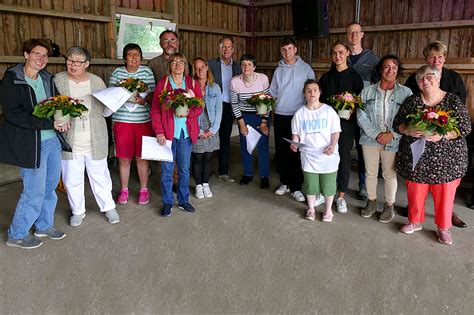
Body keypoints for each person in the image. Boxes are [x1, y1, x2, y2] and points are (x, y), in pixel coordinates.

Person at [0, 39, 70, 249]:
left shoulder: (48, 78)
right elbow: (13, 115)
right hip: (31, 143)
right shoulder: (12, 79)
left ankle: (44, 225)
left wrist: (64, 118)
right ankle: (17, 233)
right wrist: (50, 122)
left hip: (52, 142)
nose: (41, 59)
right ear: (26, 55)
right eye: (37, 54)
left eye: (45, 55)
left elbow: (57, 103)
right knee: (34, 191)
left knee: (50, 188)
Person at [393, 65, 471, 245]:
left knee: (445, 194)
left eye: (429, 77)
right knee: (416, 191)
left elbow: (465, 127)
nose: (425, 81)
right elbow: (398, 123)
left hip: (447, 160)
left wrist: (443, 134)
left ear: (437, 79)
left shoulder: (452, 100)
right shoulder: (412, 101)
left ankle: (443, 228)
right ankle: (414, 222)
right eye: (420, 79)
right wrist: (409, 131)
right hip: (417, 158)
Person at [404, 41, 468, 228]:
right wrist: (412, 127)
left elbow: (460, 115)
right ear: (426, 58)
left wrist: (443, 131)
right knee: (417, 186)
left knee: (446, 188)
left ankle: (447, 218)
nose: (436, 60)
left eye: (440, 57)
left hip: (446, 146)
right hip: (420, 142)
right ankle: (416, 216)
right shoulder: (414, 79)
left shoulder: (454, 80)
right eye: (432, 57)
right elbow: (408, 107)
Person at [54, 46, 119, 226]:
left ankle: (108, 207)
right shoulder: (58, 80)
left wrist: (114, 105)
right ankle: (77, 211)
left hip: (95, 136)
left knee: (100, 174)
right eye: (69, 60)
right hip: (69, 138)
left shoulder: (97, 81)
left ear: (87, 64)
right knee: (71, 177)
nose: (72, 65)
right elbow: (53, 106)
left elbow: (105, 111)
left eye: (77, 62)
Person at [357, 55, 412, 223]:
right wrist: (375, 134)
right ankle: (371, 201)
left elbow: (408, 119)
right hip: (369, 138)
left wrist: (393, 134)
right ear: (381, 69)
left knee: (389, 173)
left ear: (398, 71)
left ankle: (389, 206)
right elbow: (360, 114)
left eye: (394, 68)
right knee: (370, 172)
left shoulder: (405, 93)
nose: (390, 70)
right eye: (386, 67)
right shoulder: (367, 91)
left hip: (392, 140)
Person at [151, 52, 203, 216]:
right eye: (174, 61)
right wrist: (159, 131)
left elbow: (199, 106)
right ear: (169, 65)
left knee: (184, 170)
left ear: (186, 65)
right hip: (167, 134)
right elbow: (155, 110)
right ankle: (167, 202)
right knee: (166, 170)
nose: (178, 64)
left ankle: (183, 200)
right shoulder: (163, 84)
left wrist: (189, 113)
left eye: (181, 61)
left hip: (185, 133)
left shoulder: (192, 83)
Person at [319, 41, 364, 214]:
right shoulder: (326, 77)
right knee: (326, 156)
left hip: (346, 126)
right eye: (334, 53)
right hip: (326, 126)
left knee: (343, 159)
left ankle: (341, 196)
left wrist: (350, 109)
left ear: (347, 54)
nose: (337, 56)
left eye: (340, 52)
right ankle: (325, 191)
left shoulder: (355, 77)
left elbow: (359, 103)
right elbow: (320, 102)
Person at [109, 43, 156, 206]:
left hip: (143, 121)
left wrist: (145, 100)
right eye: (130, 54)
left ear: (141, 57)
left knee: (142, 158)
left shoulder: (147, 72)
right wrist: (122, 97)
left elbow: (153, 94)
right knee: (124, 158)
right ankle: (124, 189)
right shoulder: (117, 73)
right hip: (122, 121)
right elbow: (111, 95)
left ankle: (144, 189)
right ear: (125, 58)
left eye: (137, 54)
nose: (134, 57)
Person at [270, 37, 316, 202]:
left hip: (299, 116)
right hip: (281, 114)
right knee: (282, 151)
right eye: (284, 49)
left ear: (295, 49)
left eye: (289, 48)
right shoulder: (278, 70)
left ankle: (296, 187)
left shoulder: (306, 69)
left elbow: (312, 91)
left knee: (296, 151)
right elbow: (273, 92)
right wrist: (264, 105)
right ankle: (284, 183)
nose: (287, 52)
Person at [291, 80, 341, 222]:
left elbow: (336, 132)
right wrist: (295, 144)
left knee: (328, 185)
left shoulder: (329, 111)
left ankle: (328, 210)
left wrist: (332, 145)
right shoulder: (299, 114)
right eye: (308, 90)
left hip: (328, 155)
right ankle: (311, 209)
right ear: (304, 94)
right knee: (310, 185)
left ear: (320, 93)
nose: (312, 93)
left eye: (315, 90)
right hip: (309, 156)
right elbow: (296, 135)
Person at [346, 22, 380, 200]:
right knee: (342, 149)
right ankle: (340, 183)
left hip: (364, 113)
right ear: (347, 35)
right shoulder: (341, 56)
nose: (353, 35)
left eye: (356, 32)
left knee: (363, 151)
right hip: (344, 112)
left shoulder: (373, 60)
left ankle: (363, 185)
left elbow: (377, 87)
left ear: (362, 35)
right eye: (350, 32)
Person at [230, 54, 271, 189]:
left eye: (249, 64)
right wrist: (241, 123)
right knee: (246, 145)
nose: (246, 67)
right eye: (243, 64)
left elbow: (267, 101)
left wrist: (264, 121)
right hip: (244, 116)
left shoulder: (263, 79)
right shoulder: (235, 81)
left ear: (254, 67)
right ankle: (248, 173)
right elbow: (234, 104)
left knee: (262, 146)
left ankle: (264, 176)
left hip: (260, 115)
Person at [208, 36, 241, 183]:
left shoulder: (238, 67)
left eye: (229, 47)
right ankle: (205, 171)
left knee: (225, 139)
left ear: (233, 49)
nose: (226, 49)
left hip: (228, 107)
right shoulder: (210, 64)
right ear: (219, 48)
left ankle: (223, 171)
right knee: (209, 136)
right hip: (213, 106)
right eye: (223, 46)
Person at [192, 58, 223, 198]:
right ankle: (198, 185)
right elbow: (188, 112)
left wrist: (213, 130)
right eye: (197, 68)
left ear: (207, 67)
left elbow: (219, 110)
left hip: (211, 126)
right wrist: (197, 131)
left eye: (202, 67)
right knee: (198, 157)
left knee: (209, 157)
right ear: (193, 70)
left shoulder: (215, 87)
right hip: (196, 126)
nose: (200, 70)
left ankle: (206, 184)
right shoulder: (190, 87)